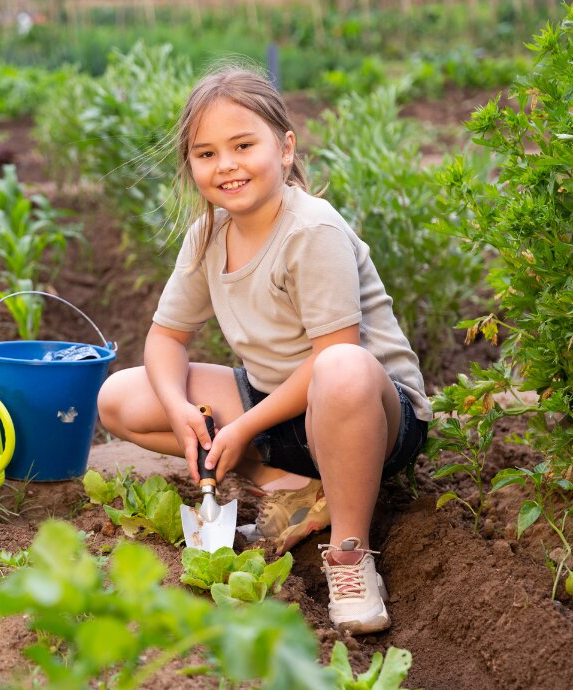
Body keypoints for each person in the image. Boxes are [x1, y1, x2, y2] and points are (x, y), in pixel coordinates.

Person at [96, 65, 430, 634]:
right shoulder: (208, 235)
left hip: (369, 413)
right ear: (192, 167)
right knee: (121, 397)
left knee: (342, 369)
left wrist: (243, 427)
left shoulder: (311, 231)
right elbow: (165, 337)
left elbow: (336, 355)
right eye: (205, 154)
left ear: (284, 147)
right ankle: (299, 491)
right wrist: (179, 410)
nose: (225, 164)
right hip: (279, 404)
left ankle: (351, 553)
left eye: (243, 145)